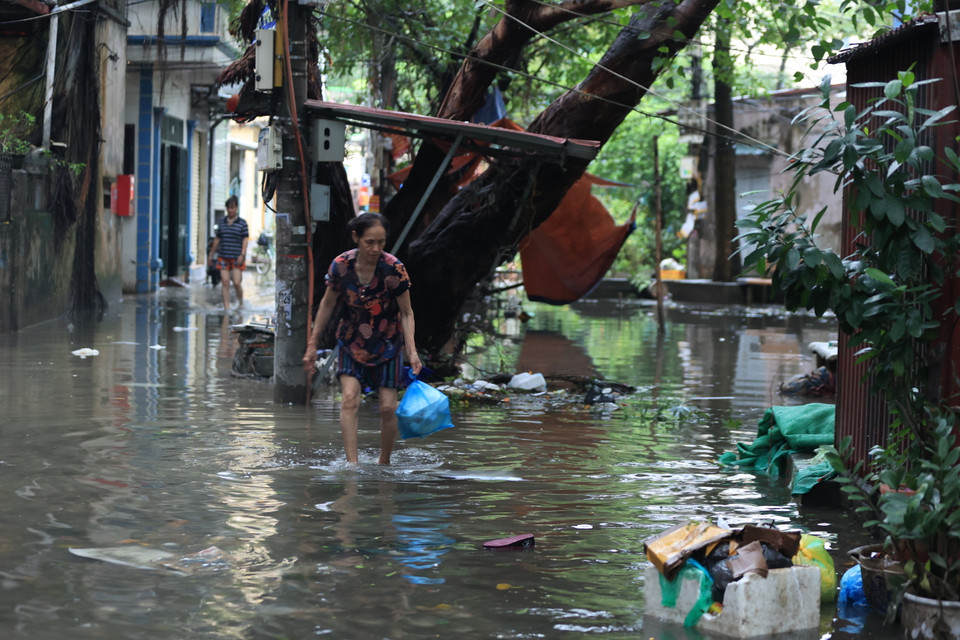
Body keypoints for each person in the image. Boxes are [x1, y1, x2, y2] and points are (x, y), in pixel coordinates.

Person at [302, 213, 422, 465]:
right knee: (349, 398)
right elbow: (326, 305)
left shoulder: (394, 269)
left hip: (388, 343)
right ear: (356, 237)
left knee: (389, 406)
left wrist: (412, 350)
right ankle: (353, 466)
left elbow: (407, 312)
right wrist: (312, 344)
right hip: (351, 341)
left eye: (381, 242)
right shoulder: (341, 266)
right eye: (370, 242)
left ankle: (384, 462)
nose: (376, 249)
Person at [207, 196, 249, 312]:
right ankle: (227, 308)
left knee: (236, 282)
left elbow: (245, 239)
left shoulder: (242, 223)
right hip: (223, 257)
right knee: (225, 282)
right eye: (228, 208)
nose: (230, 210)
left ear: (236, 208)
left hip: (237, 258)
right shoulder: (222, 222)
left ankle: (241, 302)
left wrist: (243, 254)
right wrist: (211, 255)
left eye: (232, 207)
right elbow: (217, 239)